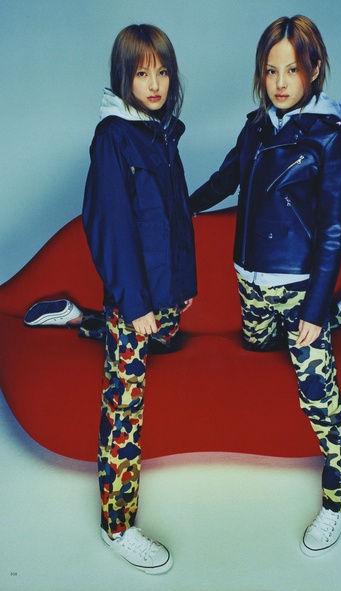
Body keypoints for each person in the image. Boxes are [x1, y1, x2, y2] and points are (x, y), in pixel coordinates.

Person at [188, 15, 341, 557]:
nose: (281, 82)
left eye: (292, 69)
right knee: (261, 351)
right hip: (250, 281)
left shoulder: (332, 136)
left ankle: (338, 496)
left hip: (300, 287)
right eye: (271, 70)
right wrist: (181, 209)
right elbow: (225, 179)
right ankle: (339, 316)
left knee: (317, 395)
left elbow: (333, 228)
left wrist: (314, 306)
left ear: (314, 68)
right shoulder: (256, 126)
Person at [27, 24, 197, 575]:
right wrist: (135, 303)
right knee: (125, 405)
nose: (155, 84)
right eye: (142, 73)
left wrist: (184, 286)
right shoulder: (113, 137)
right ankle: (117, 525)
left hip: (160, 296)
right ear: (123, 78)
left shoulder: (160, 132)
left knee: (156, 343)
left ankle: (79, 318)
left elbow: (176, 217)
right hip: (134, 299)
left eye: (162, 71)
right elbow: (111, 228)